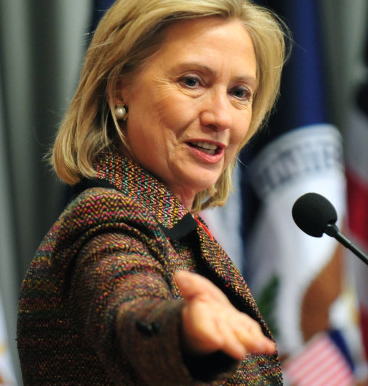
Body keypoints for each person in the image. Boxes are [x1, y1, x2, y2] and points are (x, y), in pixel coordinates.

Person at [16, 0, 288, 384]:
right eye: (192, 81)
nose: (221, 116)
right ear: (119, 90)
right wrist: (182, 334)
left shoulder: (174, 226)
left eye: (240, 92)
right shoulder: (105, 219)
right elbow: (130, 308)